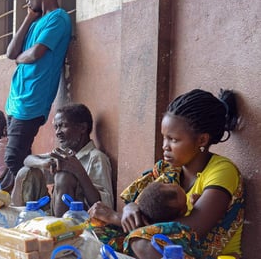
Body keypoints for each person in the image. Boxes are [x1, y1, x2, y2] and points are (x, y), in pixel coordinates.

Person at [88, 89, 244, 259]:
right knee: (95, 229)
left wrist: (117, 217)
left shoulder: (222, 171)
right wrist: (130, 208)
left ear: (202, 140)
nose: (165, 146)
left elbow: (192, 228)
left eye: (174, 140)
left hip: (208, 255)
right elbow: (144, 206)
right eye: (164, 138)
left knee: (145, 243)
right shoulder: (167, 170)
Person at [4, 0, 72, 178]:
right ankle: (30, 203)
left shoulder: (58, 18)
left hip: (32, 101)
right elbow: (11, 52)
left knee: (13, 159)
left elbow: (35, 53)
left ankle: (39, 200)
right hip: (15, 100)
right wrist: (28, 17)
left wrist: (19, 59)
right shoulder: (35, 24)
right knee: (22, 156)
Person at [11, 103, 114, 217]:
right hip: (54, 211)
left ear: (82, 128)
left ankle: (61, 230)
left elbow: (104, 205)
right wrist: (45, 163)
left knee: (64, 176)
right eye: (56, 127)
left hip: (80, 219)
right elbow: (27, 160)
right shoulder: (62, 154)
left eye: (63, 126)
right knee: (26, 172)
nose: (57, 132)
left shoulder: (96, 157)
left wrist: (78, 171)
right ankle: (18, 222)